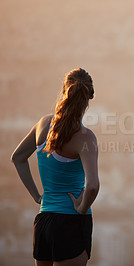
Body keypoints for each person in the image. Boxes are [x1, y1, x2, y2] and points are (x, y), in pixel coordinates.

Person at [11, 68, 100, 266]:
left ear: (63, 91)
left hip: (44, 221)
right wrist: (82, 207)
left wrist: (36, 196)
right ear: (90, 96)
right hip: (71, 221)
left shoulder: (43, 124)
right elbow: (92, 186)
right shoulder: (85, 137)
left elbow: (17, 158)